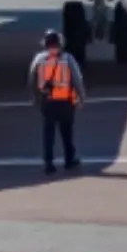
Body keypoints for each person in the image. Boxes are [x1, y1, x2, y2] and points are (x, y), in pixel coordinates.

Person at [28, 29, 85, 174]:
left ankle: (48, 163)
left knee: (48, 133)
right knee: (67, 133)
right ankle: (69, 160)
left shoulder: (39, 59)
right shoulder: (68, 59)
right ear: (60, 43)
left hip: (48, 102)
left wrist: (36, 97)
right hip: (65, 102)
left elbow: (31, 79)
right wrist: (81, 97)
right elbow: (77, 80)